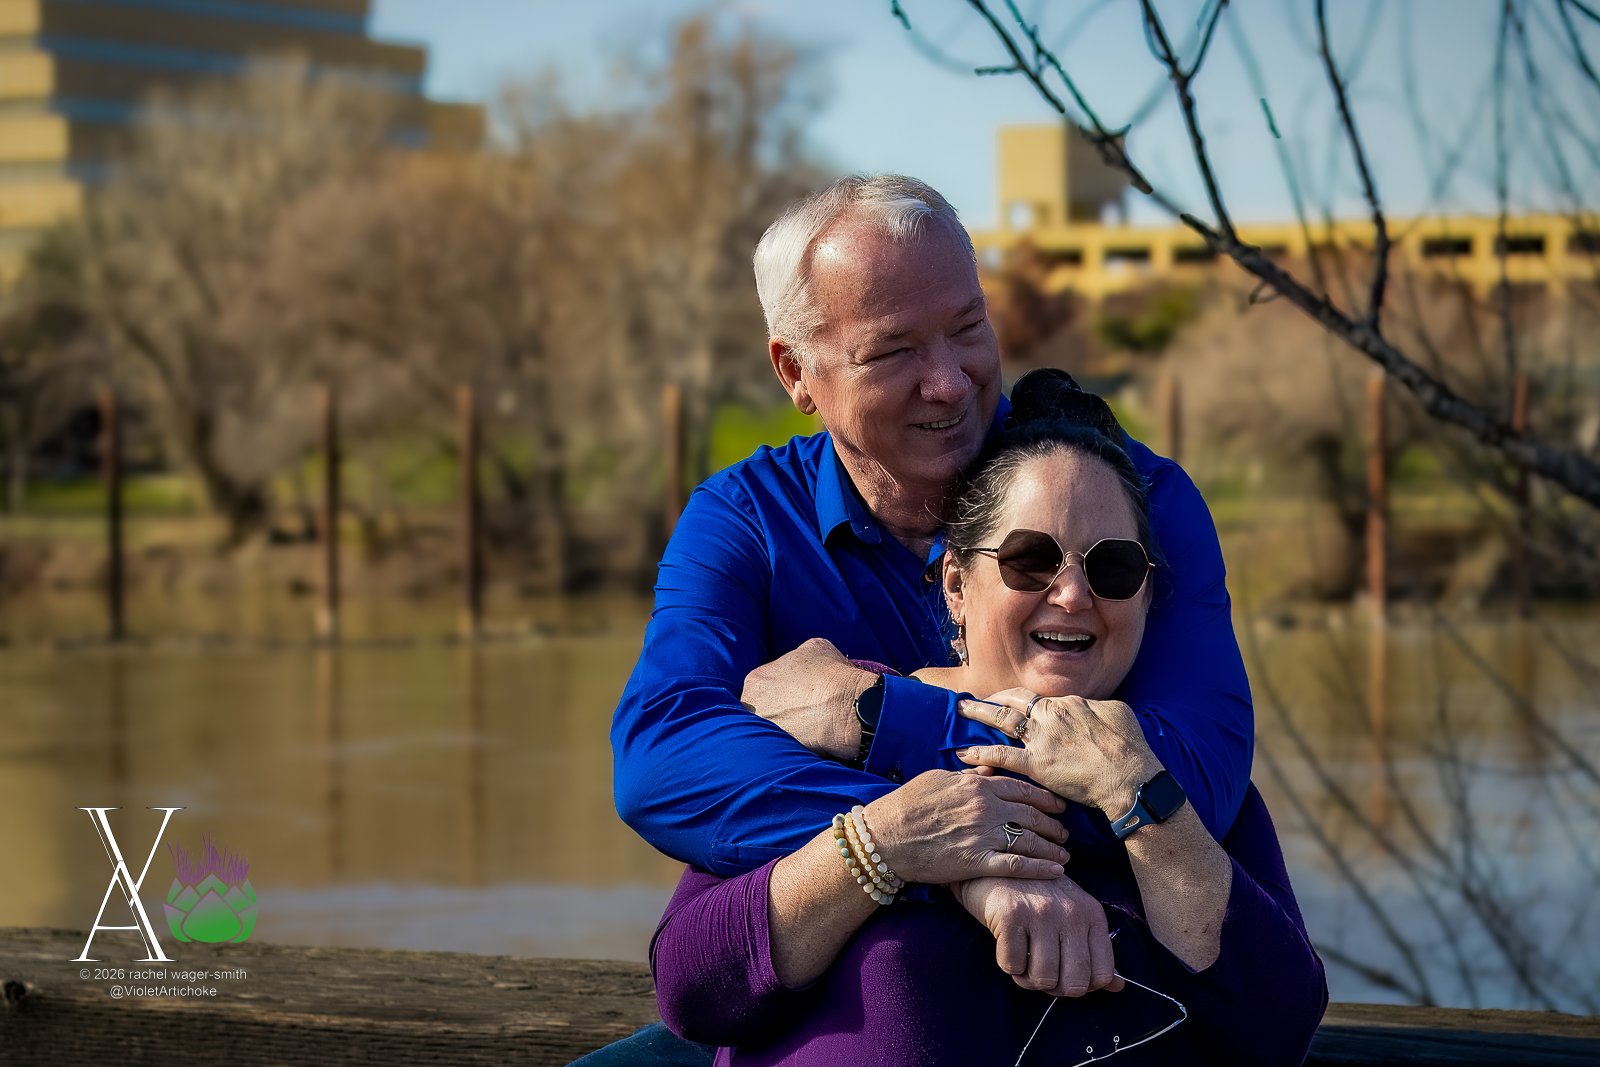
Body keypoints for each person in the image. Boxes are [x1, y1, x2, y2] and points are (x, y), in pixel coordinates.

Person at [588, 175, 1254, 1064]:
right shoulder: (743, 525)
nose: (949, 381)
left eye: (968, 327)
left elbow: (1193, 773)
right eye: (892, 349)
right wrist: (944, 845)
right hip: (800, 1014)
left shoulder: (1130, 507)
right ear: (796, 372)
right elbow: (662, 758)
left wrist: (876, 718)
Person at [647, 388, 1328, 1065]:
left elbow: (1279, 1028)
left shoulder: (1172, 778)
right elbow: (693, 985)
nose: (1071, 594)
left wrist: (1140, 801)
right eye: (1030, 558)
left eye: (1113, 567)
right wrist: (894, 846)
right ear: (956, 585)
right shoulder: (839, 717)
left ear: (1146, 598)